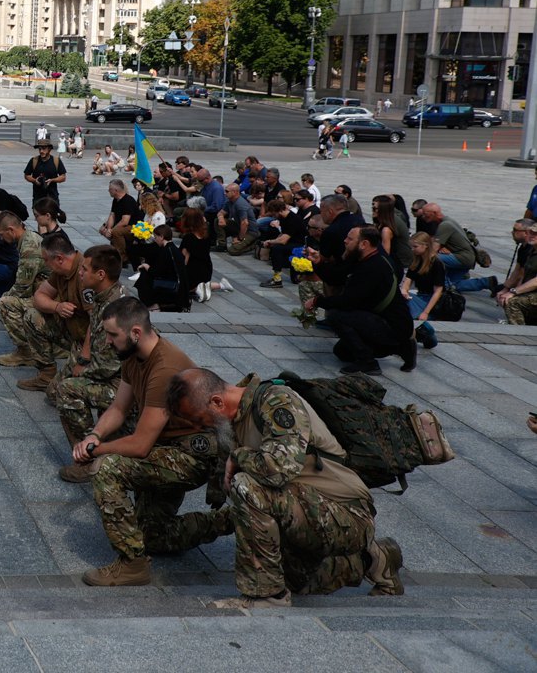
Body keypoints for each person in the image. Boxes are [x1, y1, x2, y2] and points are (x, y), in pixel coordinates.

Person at [165, 368, 404, 607]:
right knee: (297, 582)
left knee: (245, 485)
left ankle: (267, 596)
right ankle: (374, 559)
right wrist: (185, 532)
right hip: (304, 509)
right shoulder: (236, 423)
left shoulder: (277, 401)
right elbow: (248, 511)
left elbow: (278, 469)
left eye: (199, 419)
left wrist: (238, 457)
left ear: (217, 402)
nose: (201, 427)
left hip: (347, 514)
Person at [71, 297, 219, 587]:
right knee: (150, 536)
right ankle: (230, 520)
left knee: (107, 467)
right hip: (167, 447)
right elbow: (118, 408)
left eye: (113, 335)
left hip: (192, 456)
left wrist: (97, 451)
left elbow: (140, 446)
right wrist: (94, 435)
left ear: (135, 333)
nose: (108, 342)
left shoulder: (164, 368)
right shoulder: (134, 356)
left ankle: (132, 565)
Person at [50, 245, 129, 458]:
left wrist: (80, 373)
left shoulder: (115, 309)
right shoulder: (105, 295)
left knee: (66, 390)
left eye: (84, 269)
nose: (80, 272)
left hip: (124, 386)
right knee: (57, 387)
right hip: (115, 374)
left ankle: (88, 454)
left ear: (100, 274)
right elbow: (92, 334)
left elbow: (106, 366)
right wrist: (83, 358)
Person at [309, 225, 416, 374]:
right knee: (342, 352)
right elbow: (335, 277)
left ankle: (369, 362)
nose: (345, 241)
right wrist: (318, 263)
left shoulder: (374, 267)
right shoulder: (363, 258)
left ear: (364, 244)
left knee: (336, 315)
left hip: (392, 326)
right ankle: (402, 347)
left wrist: (317, 301)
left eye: (350, 239)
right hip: (379, 319)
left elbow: (347, 302)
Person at [12, 234, 90, 391]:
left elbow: (97, 322)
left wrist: (84, 359)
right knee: (32, 316)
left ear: (59, 258)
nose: (45, 264)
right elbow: (39, 296)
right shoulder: (62, 271)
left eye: (46, 260)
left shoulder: (85, 274)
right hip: (72, 331)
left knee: (57, 393)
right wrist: (57, 307)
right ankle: (46, 375)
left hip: (90, 341)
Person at [418, 202, 499, 295]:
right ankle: (487, 282)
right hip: (466, 257)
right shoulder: (448, 220)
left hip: (463, 258)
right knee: (452, 284)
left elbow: (433, 250)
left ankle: (439, 285)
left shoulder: (444, 225)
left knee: (432, 259)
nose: (423, 216)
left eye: (425, 213)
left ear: (434, 213)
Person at [403, 231, 448, 348]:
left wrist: (426, 312)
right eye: (412, 246)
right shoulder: (417, 260)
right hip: (421, 295)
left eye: (415, 247)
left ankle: (425, 332)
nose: (413, 249)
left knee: (409, 310)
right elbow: (408, 278)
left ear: (425, 246)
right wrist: (404, 289)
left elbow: (438, 291)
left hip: (430, 298)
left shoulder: (436, 263)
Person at [496, 220, 537, 325]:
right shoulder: (531, 250)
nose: (532, 236)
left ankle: (518, 333)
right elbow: (521, 273)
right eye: (530, 233)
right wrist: (507, 290)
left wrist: (513, 292)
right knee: (508, 298)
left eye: (536, 234)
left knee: (512, 302)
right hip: (532, 293)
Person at [100, 178, 141, 265]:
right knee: (102, 230)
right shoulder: (116, 199)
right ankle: (114, 251)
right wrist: (108, 228)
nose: (108, 191)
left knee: (116, 232)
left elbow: (124, 221)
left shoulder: (128, 201)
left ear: (116, 190)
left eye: (110, 189)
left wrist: (111, 230)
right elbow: (112, 215)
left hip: (133, 226)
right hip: (123, 225)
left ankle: (122, 257)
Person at [24, 139, 67, 213]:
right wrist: (35, 180)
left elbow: (63, 177)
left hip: (52, 196)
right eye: (40, 149)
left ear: (49, 149)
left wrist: (52, 180)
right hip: (38, 197)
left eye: (44, 149)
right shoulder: (34, 160)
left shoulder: (56, 161)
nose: (41, 151)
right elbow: (27, 175)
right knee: (40, 219)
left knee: (52, 219)